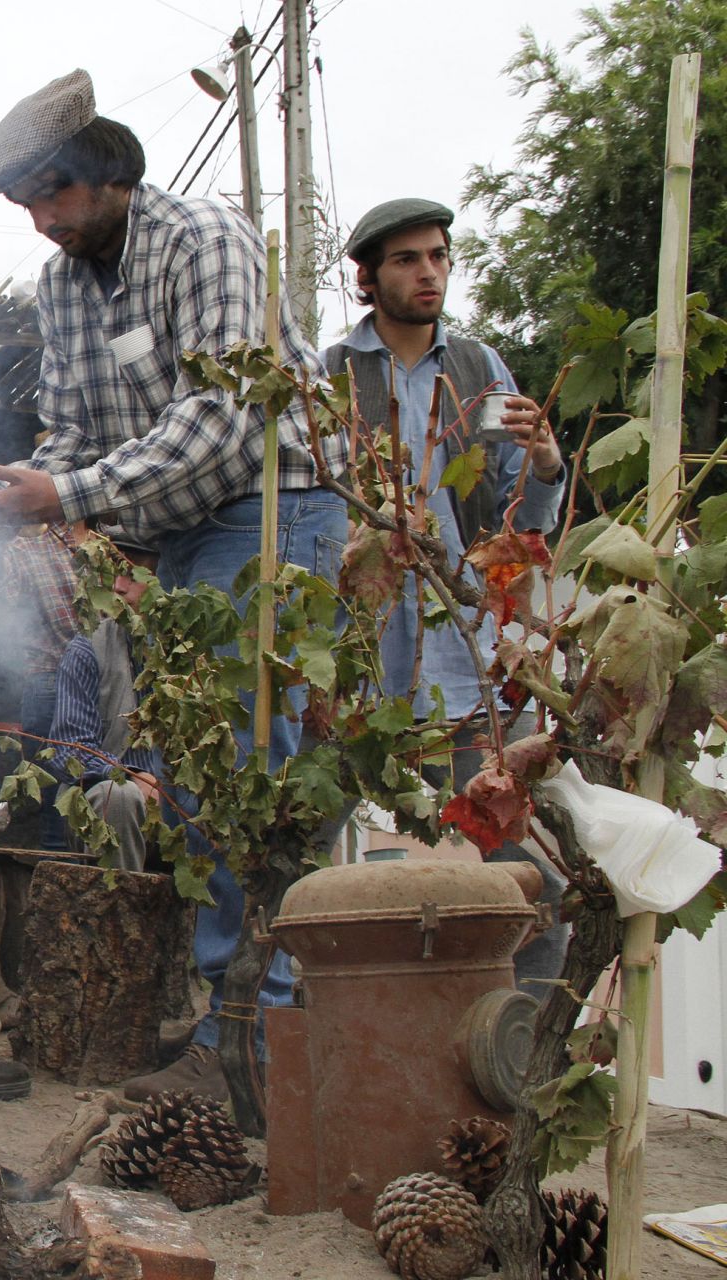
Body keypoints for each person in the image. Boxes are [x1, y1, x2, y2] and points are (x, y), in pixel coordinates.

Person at [0, 69, 352, 1102]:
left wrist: (70, 489)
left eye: (55, 193)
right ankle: (218, 1022)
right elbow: (77, 431)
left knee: (241, 763)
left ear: (106, 168)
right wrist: (26, 485)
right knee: (189, 776)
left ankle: (253, 1045)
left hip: (274, 508)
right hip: (181, 539)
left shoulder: (202, 240)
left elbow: (224, 418)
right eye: (26, 207)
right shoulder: (60, 291)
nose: (45, 221)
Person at [327, 198, 570, 991]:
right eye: (406, 260)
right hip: (362, 663)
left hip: (466, 658)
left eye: (437, 256)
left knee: (526, 862)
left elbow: (517, 525)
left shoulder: (479, 370)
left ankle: (524, 1039)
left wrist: (543, 468)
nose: (427, 272)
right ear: (366, 277)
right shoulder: (331, 375)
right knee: (331, 856)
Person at [48, 540, 163, 872]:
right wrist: (134, 775)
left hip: (179, 807)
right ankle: (120, 910)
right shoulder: (87, 649)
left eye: (132, 575)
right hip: (106, 806)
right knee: (120, 796)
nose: (118, 586)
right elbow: (69, 753)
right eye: (116, 574)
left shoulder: (196, 654)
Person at [0, 522, 84, 850]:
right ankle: (62, 871)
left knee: (58, 793)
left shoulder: (28, 545)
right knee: (59, 791)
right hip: (55, 676)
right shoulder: (26, 545)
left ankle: (59, 865)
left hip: (49, 677)